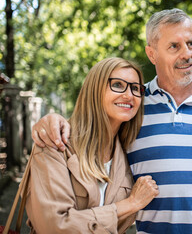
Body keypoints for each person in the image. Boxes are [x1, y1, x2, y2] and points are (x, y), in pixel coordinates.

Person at [31, 9, 192, 233]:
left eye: (191, 44)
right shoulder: (132, 105)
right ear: (151, 54)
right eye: (174, 46)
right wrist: (53, 120)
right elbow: (94, 124)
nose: (187, 54)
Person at [25, 57, 159, 233]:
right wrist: (130, 204)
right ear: (95, 89)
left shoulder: (129, 154)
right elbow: (54, 226)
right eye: (117, 85)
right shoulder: (55, 142)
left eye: (135, 88)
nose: (128, 95)